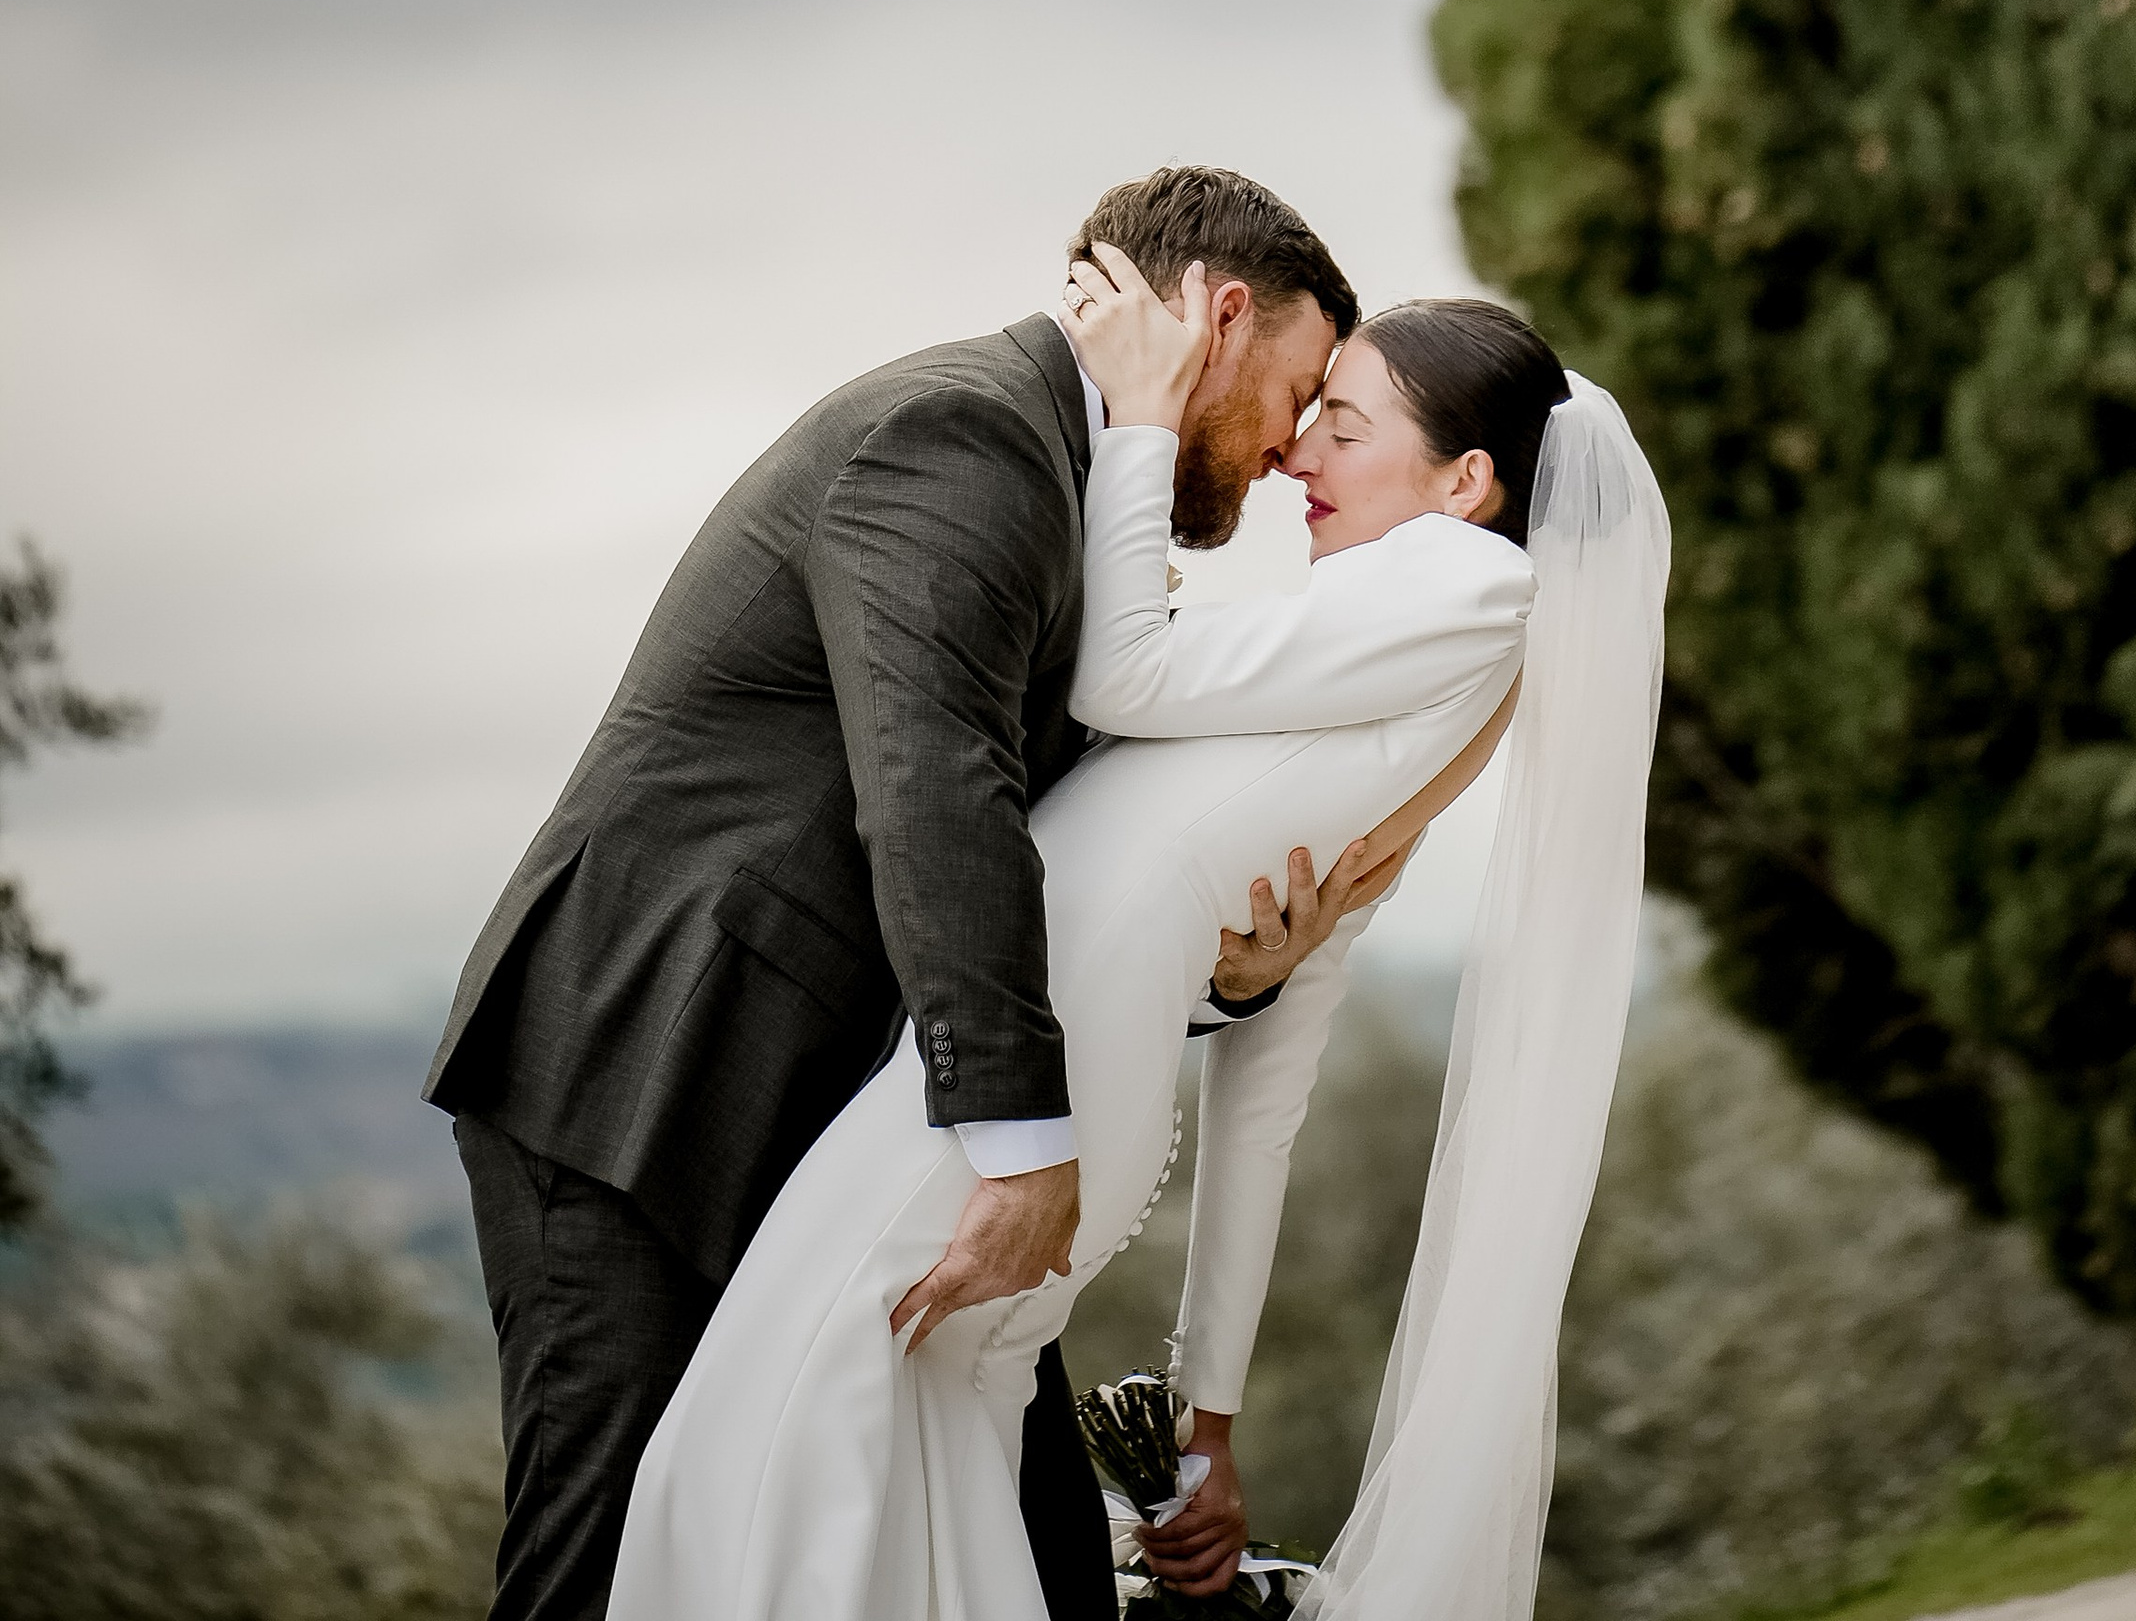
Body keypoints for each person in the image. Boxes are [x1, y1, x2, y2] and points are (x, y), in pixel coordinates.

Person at [604, 261, 1671, 1621]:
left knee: (774, 1433)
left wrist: (1149, 423)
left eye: (1345, 427)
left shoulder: (1467, 585)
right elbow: (1268, 1075)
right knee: (898, 1463)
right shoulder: (1393, 671)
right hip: (1076, 1071)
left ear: (1466, 484)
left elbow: (1124, 676)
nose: (1297, 460)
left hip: (1042, 1088)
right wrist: (1207, 1411)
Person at [425, 166, 1376, 1621]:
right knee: (604, 1563)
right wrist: (1022, 1145)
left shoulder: (1070, 489)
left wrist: (1227, 982)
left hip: (838, 1123)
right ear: (1224, 315)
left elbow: (1072, 849)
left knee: (1035, 1555)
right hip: (646, 1077)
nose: (1286, 451)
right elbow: (936, 792)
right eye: (1298, 396)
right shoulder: (962, 437)